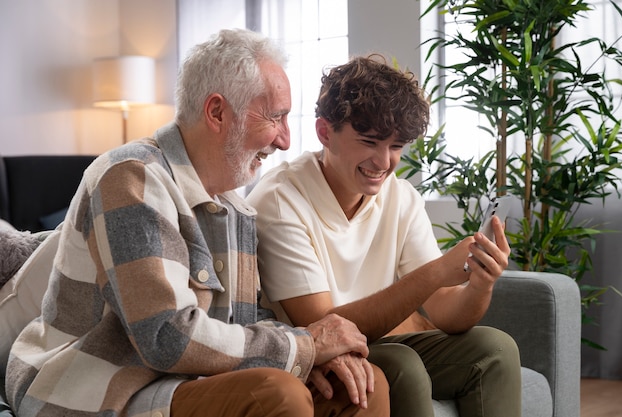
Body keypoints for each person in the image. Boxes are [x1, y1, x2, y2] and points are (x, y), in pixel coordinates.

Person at [5, 30, 391, 417]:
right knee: (275, 394)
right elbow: (166, 336)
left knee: (362, 386)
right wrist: (304, 347)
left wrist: (314, 356)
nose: (287, 141)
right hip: (90, 390)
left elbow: (243, 322)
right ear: (217, 112)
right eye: (276, 117)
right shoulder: (131, 179)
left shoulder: (234, 206)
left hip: (180, 381)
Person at [247, 55, 522, 417]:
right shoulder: (280, 200)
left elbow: (446, 313)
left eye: (395, 147)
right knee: (401, 361)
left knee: (496, 348)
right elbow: (323, 325)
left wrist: (480, 284)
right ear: (325, 132)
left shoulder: (401, 196)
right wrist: (438, 271)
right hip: (315, 354)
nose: (384, 162)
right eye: (369, 142)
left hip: (381, 344)